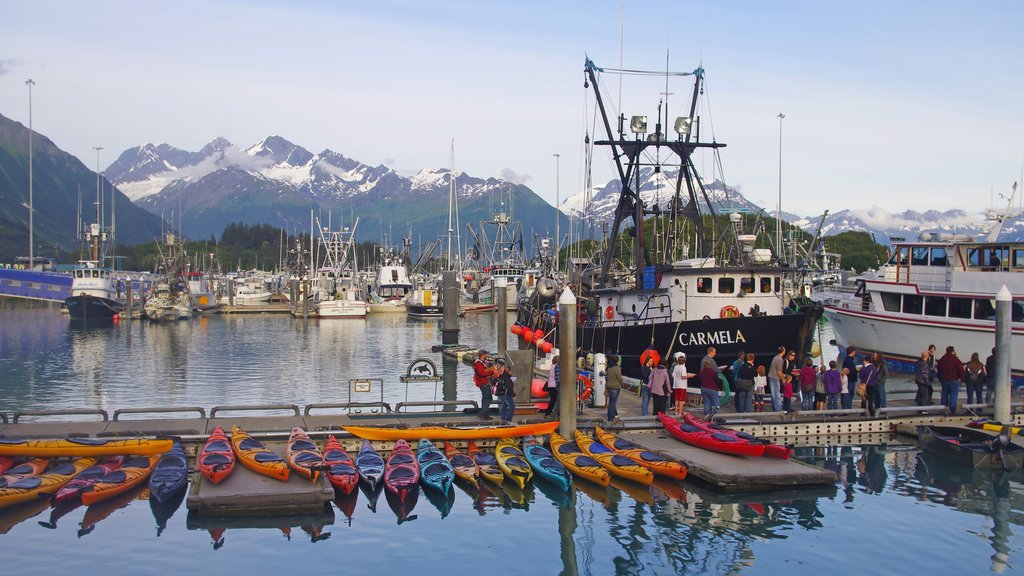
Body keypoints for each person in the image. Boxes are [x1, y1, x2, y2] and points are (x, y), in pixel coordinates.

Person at [936, 346, 965, 414]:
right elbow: (961, 369)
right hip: (954, 380)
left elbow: (938, 369)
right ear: (953, 351)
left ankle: (943, 409)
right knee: (953, 396)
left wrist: (940, 378)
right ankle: (952, 411)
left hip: (944, 380)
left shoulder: (942, 359)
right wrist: (962, 378)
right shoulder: (955, 359)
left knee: (944, 395)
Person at [473, 350, 497, 419]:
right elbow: (482, 373)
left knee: (485, 398)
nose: (486, 356)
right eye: (486, 354)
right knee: (488, 398)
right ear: (483, 355)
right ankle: (482, 413)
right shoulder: (478, 363)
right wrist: (492, 372)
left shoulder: (484, 362)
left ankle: (485, 414)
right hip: (483, 382)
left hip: (485, 382)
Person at [768, 346, 786, 412]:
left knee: (773, 395)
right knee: (777, 395)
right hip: (775, 378)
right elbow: (779, 371)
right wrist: (783, 379)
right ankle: (778, 410)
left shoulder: (775, 357)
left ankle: (775, 409)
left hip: (771, 376)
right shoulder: (780, 359)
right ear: (783, 351)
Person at [605, 354, 622, 421]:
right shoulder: (617, 368)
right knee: (613, 403)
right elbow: (619, 378)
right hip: (615, 387)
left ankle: (612, 415)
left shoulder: (609, 368)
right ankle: (611, 418)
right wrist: (622, 385)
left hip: (609, 387)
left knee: (611, 402)